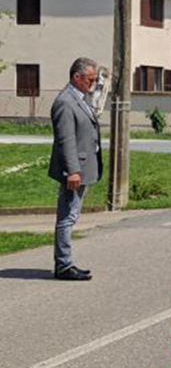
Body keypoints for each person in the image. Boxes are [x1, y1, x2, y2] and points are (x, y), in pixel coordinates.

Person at [48, 57, 102, 281]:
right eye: (90, 79)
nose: (93, 83)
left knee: (71, 215)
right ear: (76, 77)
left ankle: (65, 262)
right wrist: (73, 170)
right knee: (67, 217)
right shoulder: (65, 101)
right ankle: (64, 264)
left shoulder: (80, 98)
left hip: (83, 167)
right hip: (75, 170)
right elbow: (66, 139)